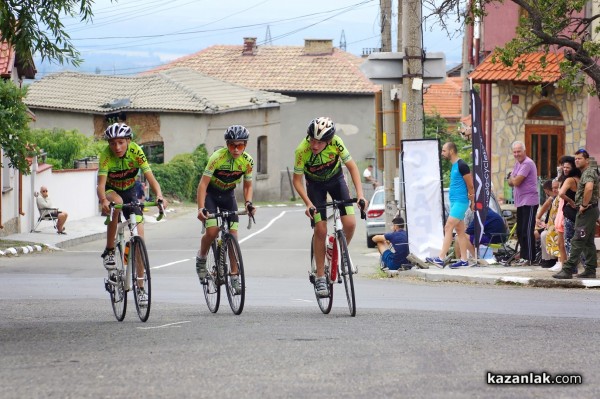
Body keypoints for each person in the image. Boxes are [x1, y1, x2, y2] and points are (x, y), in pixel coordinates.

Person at [292, 117, 367, 297]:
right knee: (320, 229)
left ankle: (335, 251)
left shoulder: (336, 143)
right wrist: (308, 204)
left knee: (350, 224)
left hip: (336, 181)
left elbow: (352, 167)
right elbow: (297, 181)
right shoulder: (302, 150)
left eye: (319, 142)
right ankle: (319, 277)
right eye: (312, 140)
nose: (314, 146)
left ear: (328, 141)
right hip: (315, 186)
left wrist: (361, 195)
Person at [97, 123, 166, 304]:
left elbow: (151, 178)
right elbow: (101, 185)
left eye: (120, 142)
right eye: (112, 143)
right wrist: (104, 200)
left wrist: (159, 196)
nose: (117, 147)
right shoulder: (105, 156)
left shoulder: (136, 152)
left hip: (130, 191)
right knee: (117, 204)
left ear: (128, 141)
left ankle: (141, 288)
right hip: (112, 191)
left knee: (140, 240)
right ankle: (110, 250)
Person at [196, 125, 256, 294]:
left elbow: (248, 186)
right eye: (232, 146)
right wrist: (201, 208)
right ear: (227, 145)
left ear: (245, 145)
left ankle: (234, 275)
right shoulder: (217, 157)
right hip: (211, 195)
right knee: (213, 230)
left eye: (240, 146)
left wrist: (249, 203)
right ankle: (201, 258)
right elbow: (203, 185)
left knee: (234, 236)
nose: (236, 150)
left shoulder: (248, 161)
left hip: (228, 196)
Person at [426, 142, 474, 269]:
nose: (442, 153)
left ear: (451, 151)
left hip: (461, 202)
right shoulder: (454, 166)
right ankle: (464, 260)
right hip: (454, 202)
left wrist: (473, 200)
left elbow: (470, 185)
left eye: (444, 151)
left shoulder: (462, 165)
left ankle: (441, 258)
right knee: (460, 232)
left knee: (448, 227)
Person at [553, 149, 599, 279]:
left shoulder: (588, 172)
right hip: (590, 210)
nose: (577, 160)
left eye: (580, 158)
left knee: (577, 239)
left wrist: (583, 205)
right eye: (576, 158)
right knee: (588, 242)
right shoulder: (586, 173)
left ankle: (568, 269)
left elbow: (589, 188)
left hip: (587, 211)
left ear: (587, 160)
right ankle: (590, 269)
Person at [507, 140, 538, 265]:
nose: (516, 154)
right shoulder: (517, 164)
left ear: (524, 151)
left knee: (527, 230)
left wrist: (512, 178)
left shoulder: (527, 163)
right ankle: (524, 256)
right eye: (514, 152)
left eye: (519, 151)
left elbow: (515, 182)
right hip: (520, 202)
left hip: (529, 201)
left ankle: (530, 258)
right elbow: (510, 182)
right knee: (520, 231)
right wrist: (512, 178)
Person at [555, 155, 582, 273]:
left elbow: (561, 193)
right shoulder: (579, 179)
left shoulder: (570, 180)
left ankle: (571, 267)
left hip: (569, 214)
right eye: (564, 167)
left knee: (568, 240)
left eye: (567, 167)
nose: (565, 169)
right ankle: (573, 266)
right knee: (578, 240)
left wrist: (570, 201)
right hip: (577, 213)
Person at [537, 179, 559, 268]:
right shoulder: (552, 198)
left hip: (559, 226)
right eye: (553, 188)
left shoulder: (563, 198)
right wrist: (537, 218)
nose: (554, 190)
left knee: (545, 234)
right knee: (543, 234)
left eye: (556, 188)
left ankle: (555, 259)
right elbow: (544, 207)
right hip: (551, 225)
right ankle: (547, 259)